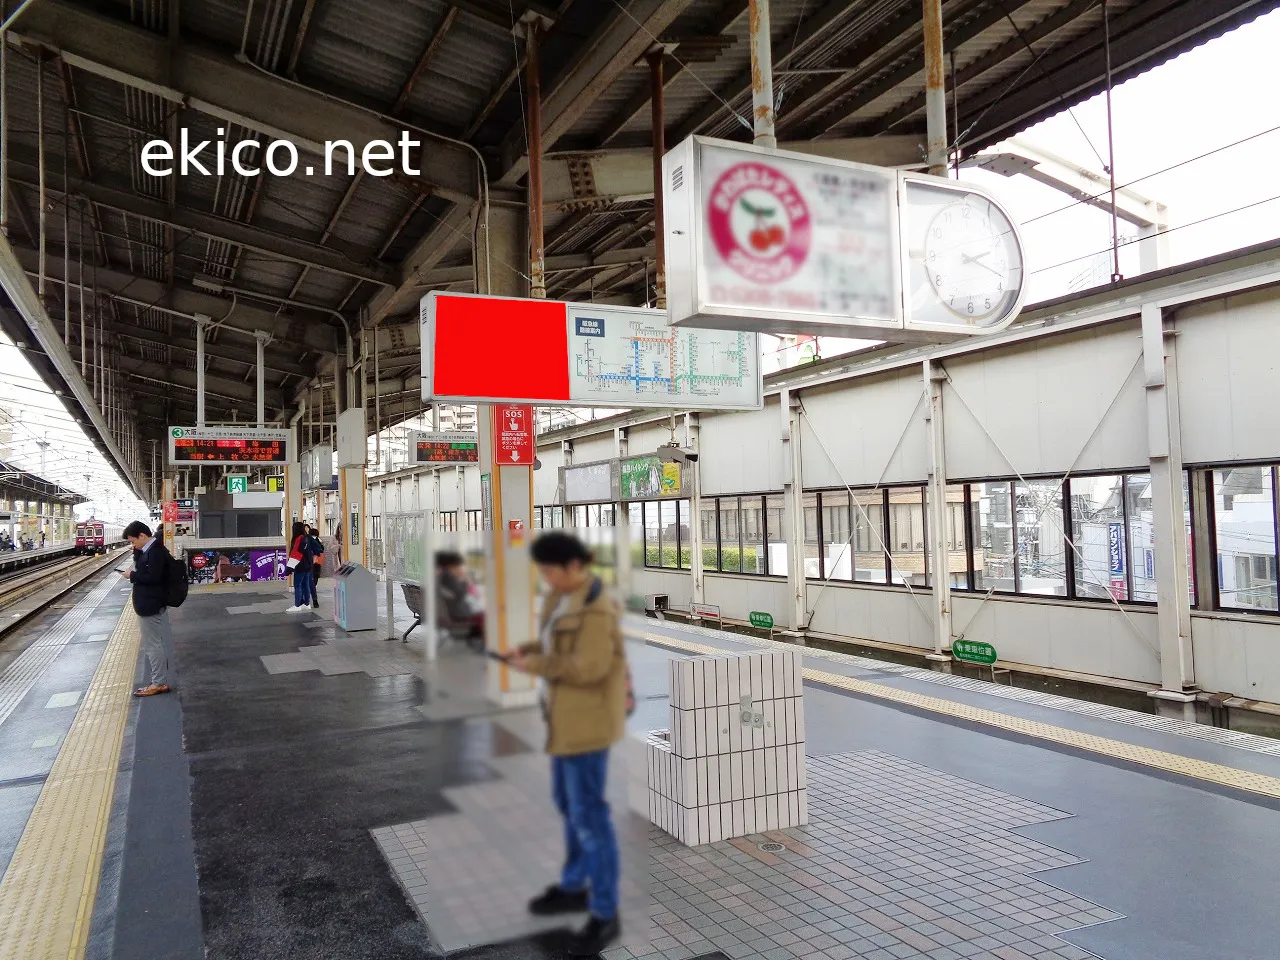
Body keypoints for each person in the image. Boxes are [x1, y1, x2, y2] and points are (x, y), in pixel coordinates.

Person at [506, 532, 627, 956]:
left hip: (588, 724)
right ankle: (575, 885)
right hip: (563, 719)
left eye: (549, 569)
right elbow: (551, 644)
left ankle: (606, 912)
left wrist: (534, 663)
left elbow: (589, 667)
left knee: (590, 815)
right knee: (567, 803)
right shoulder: (559, 597)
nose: (545, 576)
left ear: (572, 566)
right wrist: (521, 652)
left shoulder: (597, 606)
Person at [121, 520, 173, 697]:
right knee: (153, 643)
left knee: (152, 645)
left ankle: (159, 682)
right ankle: (159, 680)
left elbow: (153, 577)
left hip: (150, 604)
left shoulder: (155, 552)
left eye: (133, 541)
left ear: (142, 536)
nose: (132, 544)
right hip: (149, 603)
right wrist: (137, 553)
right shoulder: (149, 550)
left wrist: (132, 575)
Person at [435, 551, 484, 643]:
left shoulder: (441, 576)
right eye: (458, 565)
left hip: (452, 612)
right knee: (486, 616)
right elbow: (459, 595)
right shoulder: (447, 576)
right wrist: (465, 581)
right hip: (459, 615)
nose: (460, 567)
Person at [286, 521, 315, 612]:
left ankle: (297, 605)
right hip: (308, 566)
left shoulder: (298, 539)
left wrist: (289, 568)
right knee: (305, 584)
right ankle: (306, 603)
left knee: (297, 585)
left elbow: (296, 554)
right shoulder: (306, 538)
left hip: (300, 565)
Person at [307, 525, 326, 609]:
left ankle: (310, 600)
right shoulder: (319, 540)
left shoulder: (309, 539)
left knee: (310, 581)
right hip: (316, 562)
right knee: (314, 579)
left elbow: (319, 550)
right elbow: (321, 549)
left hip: (311, 563)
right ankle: (313, 599)